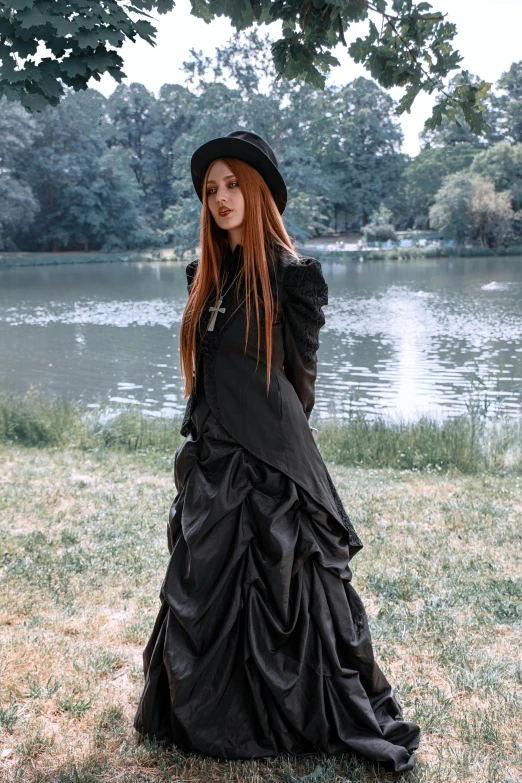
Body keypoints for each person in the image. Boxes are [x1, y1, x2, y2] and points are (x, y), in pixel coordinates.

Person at [133, 130, 420, 773]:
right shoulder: (201, 278)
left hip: (271, 458)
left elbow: (303, 385)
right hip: (212, 454)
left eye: (234, 184)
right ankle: (212, 712)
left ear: (258, 191)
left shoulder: (294, 278)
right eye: (211, 190)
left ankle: (302, 712)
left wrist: (272, 457)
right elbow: (206, 374)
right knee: (205, 581)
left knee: (290, 588)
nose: (222, 198)